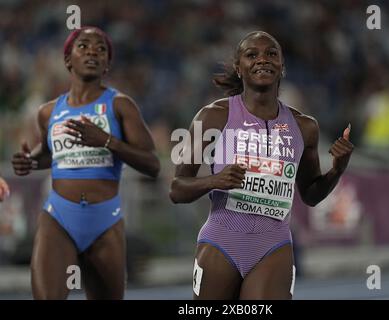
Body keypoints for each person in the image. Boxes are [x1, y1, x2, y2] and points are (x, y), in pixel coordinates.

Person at [170, 31, 353, 299]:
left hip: (273, 246)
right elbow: (177, 189)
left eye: (271, 54)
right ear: (239, 67)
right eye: (251, 54)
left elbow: (311, 195)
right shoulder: (212, 117)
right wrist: (214, 180)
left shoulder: (304, 127)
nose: (262, 59)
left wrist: (337, 169)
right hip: (221, 242)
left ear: (282, 66)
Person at [11, 26, 160, 300]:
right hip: (59, 216)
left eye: (100, 49)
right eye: (84, 46)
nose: (92, 51)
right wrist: (30, 162)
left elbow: (152, 164)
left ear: (107, 64)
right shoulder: (48, 112)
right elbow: (48, 154)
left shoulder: (121, 106)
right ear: (68, 60)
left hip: (105, 220)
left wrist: (106, 141)